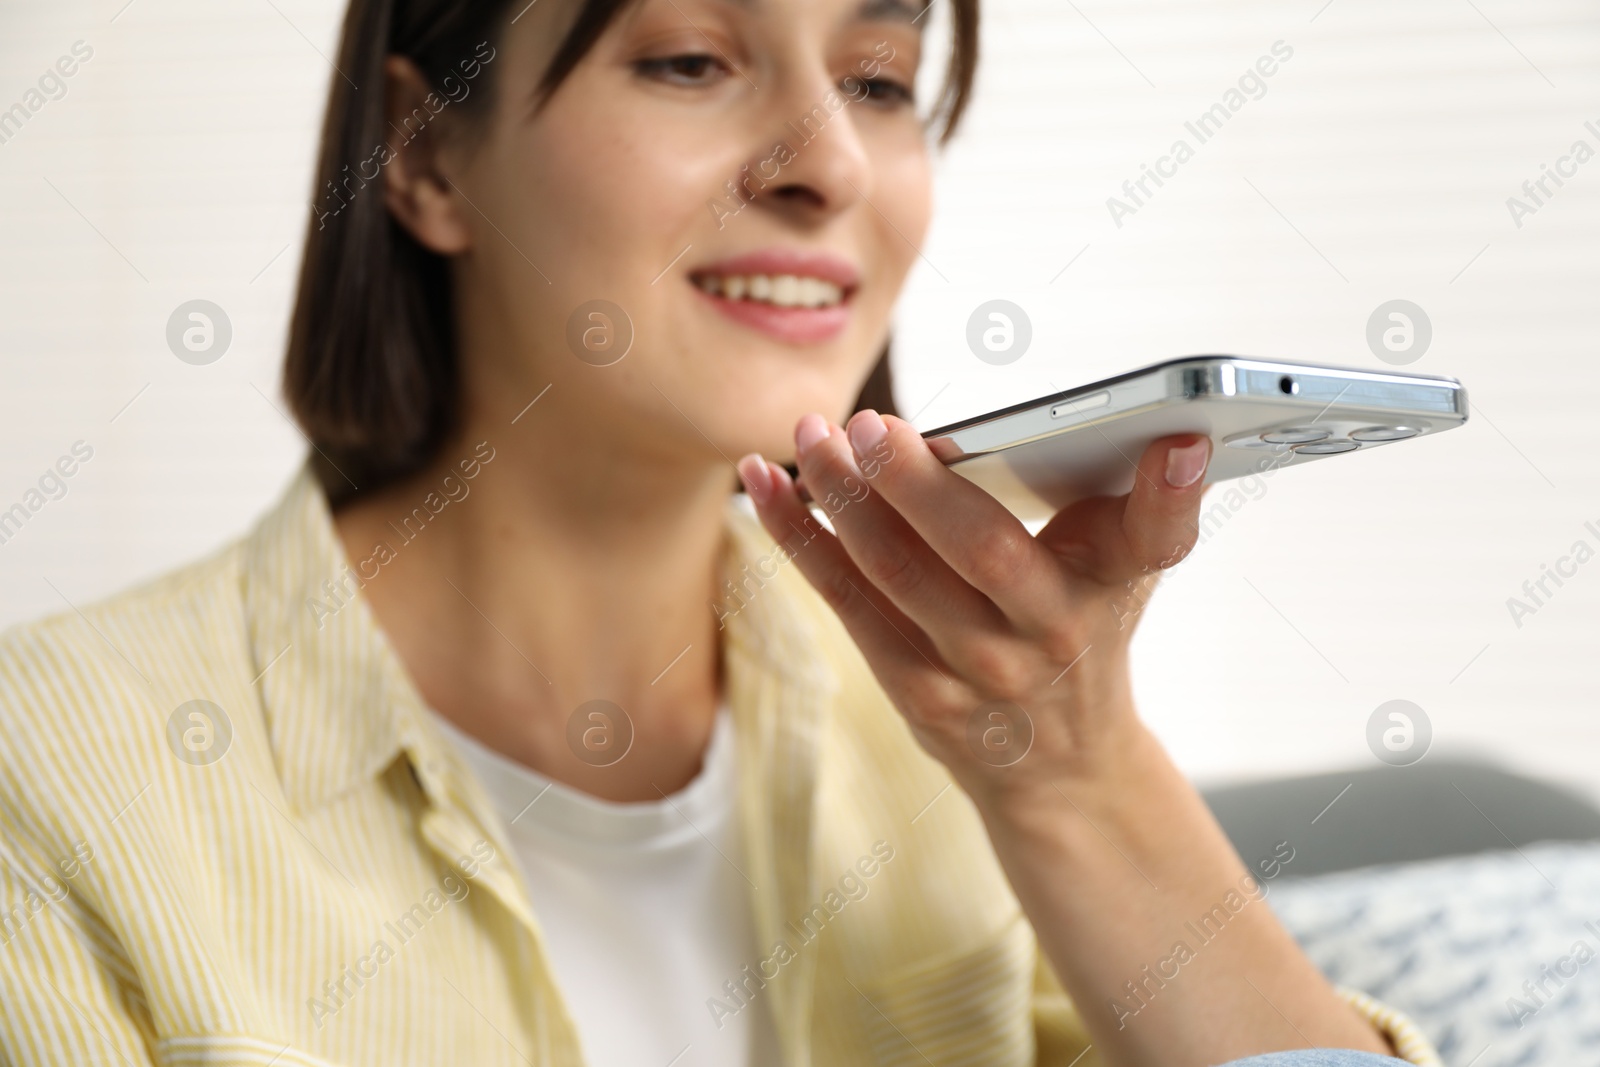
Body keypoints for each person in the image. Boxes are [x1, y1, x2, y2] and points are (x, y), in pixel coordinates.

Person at [0, 0, 1441, 1064]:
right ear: (431, 156)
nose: (832, 168)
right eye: (690, 58)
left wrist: (1075, 772)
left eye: (881, 81)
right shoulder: (55, 782)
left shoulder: (948, 704)